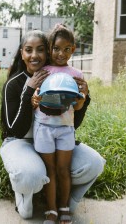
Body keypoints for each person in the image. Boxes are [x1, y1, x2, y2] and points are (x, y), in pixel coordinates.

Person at [0, 29, 105, 221]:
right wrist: (28, 92)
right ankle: (25, 199)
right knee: (33, 175)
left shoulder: (55, 77)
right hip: (19, 142)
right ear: (22, 53)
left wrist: (84, 99)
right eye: (29, 50)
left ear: (47, 52)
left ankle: (67, 204)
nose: (34, 55)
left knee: (94, 164)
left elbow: (73, 122)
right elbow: (14, 130)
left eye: (40, 50)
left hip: (53, 136)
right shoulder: (13, 84)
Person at [32, 24, 85, 224]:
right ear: (49, 48)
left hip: (65, 128)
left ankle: (64, 208)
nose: (61, 53)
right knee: (50, 170)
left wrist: (81, 98)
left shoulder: (77, 75)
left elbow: (78, 106)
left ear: (73, 49)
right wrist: (34, 100)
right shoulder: (43, 70)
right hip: (43, 127)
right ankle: (51, 210)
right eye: (56, 48)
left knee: (64, 169)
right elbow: (35, 98)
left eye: (66, 49)